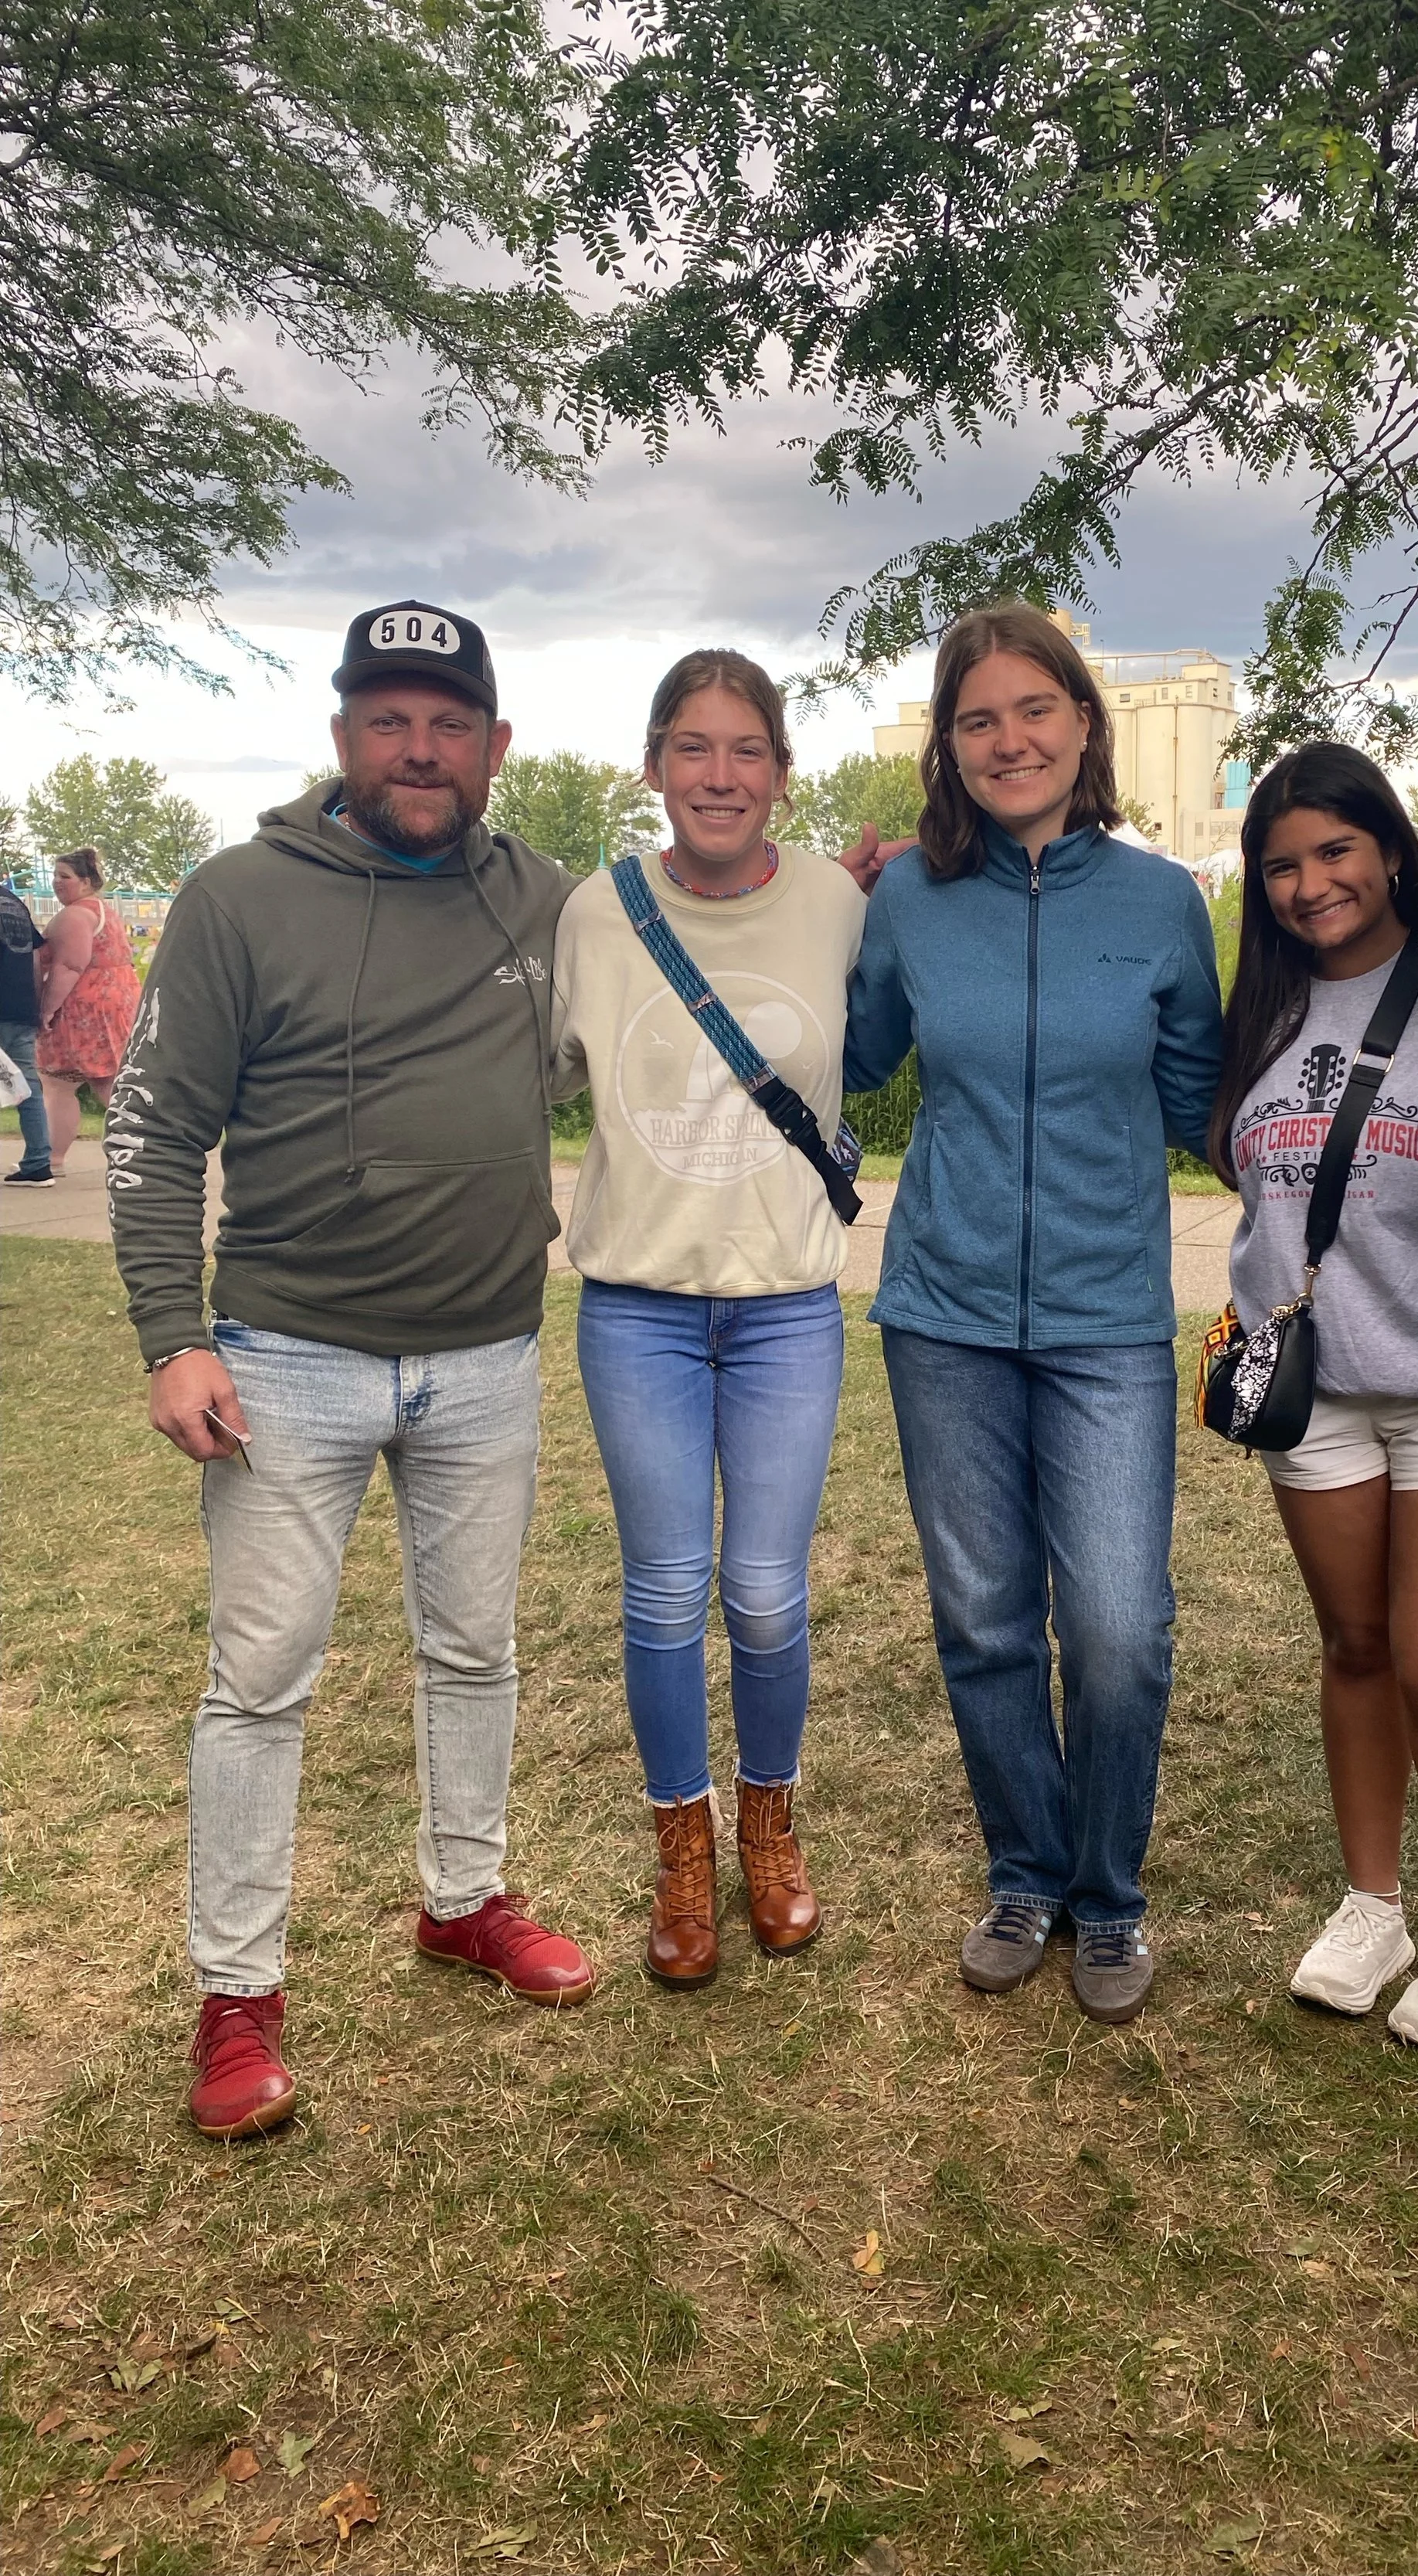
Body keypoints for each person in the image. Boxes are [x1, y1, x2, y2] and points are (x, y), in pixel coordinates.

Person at [105, 599, 595, 2145]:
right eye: (388, 717)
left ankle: (465, 1898)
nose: (420, 747)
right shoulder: (241, 896)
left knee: (475, 1649)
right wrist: (168, 1330)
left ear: (495, 746)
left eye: (449, 721)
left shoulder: (545, 899)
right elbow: (154, 1124)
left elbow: (641, 1026)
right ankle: (236, 1993)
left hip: (485, 1352)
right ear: (340, 738)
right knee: (259, 1683)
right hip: (282, 1359)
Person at [843, 601, 1222, 2025]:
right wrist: (829, 900)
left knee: (1120, 1626)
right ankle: (1027, 1872)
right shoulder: (910, 899)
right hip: (940, 1310)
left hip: (1106, 1316)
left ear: (1084, 722)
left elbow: (1203, 1102)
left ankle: (1111, 1894)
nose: (1010, 738)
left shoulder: (1163, 900)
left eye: (1034, 709)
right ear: (948, 746)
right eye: (978, 717)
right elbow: (861, 1043)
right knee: (987, 1619)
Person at [551, 652, 865, 1988]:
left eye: (746, 750)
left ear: (782, 775)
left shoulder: (841, 903)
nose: (720, 774)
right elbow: (525, 1067)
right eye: (693, 747)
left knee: (766, 1591)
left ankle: (770, 1823)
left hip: (787, 1305)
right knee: (670, 1590)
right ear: (654, 766)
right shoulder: (593, 914)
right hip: (640, 1307)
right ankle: (682, 1852)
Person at [1209, 745, 1418, 2049]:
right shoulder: (1267, 1009)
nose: (1309, 883)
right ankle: (1372, 1903)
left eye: (1335, 851)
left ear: (1393, 852)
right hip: (1315, 1398)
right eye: (1281, 864)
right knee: (1355, 1649)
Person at [36, 847, 141, 1173]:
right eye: (55, 876)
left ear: (85, 881)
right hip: (119, 1001)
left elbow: (70, 965)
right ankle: (140, 1154)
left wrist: (47, 1009)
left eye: (64, 877)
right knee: (109, 1081)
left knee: (60, 1083)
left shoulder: (75, 915)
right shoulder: (105, 911)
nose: (56, 882)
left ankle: (54, 1159)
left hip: (85, 1010)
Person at [0, 874, 53, 1186]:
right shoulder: (16, 904)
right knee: (27, 1088)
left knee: (20, 1086)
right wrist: (34, 1006)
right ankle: (38, 1163)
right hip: (21, 1009)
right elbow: (35, 959)